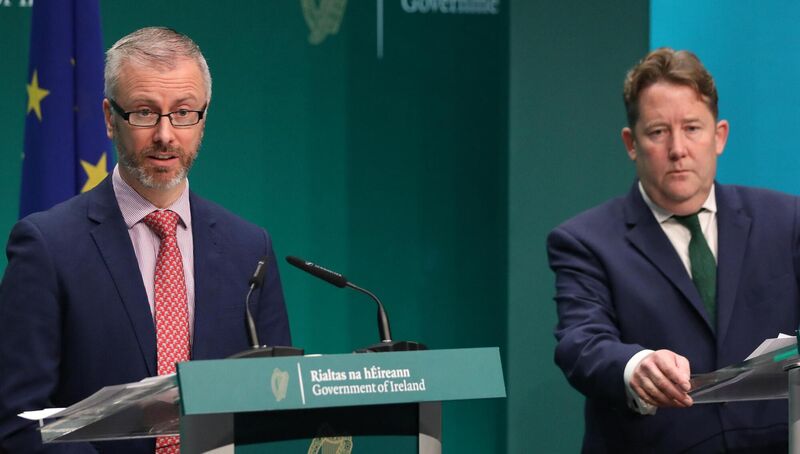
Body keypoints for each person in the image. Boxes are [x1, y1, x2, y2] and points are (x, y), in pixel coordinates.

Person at [0, 27, 292, 453]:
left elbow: (278, 397)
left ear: (203, 118)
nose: (165, 135)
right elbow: (17, 416)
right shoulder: (48, 246)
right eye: (143, 112)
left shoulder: (250, 248)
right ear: (108, 118)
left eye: (183, 112)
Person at [547, 47, 800, 453]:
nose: (678, 148)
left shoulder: (787, 220)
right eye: (658, 131)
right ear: (632, 143)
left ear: (719, 136)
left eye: (693, 128)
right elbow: (581, 342)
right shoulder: (584, 241)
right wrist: (635, 366)